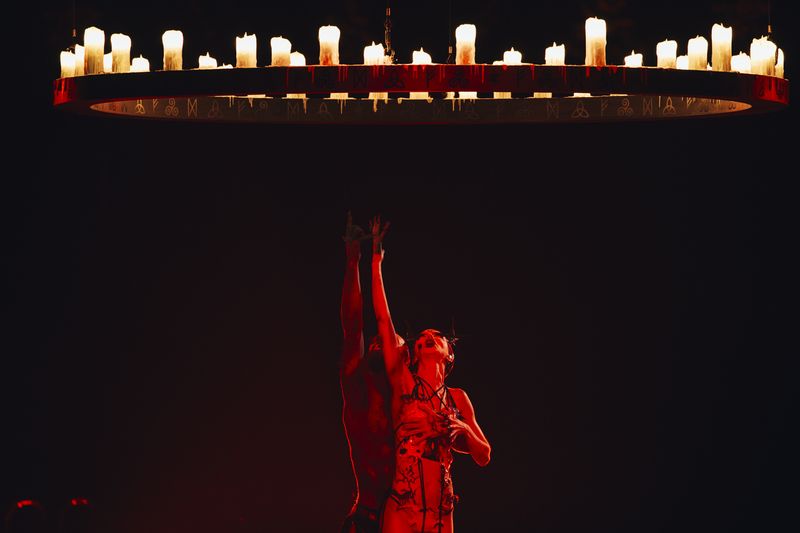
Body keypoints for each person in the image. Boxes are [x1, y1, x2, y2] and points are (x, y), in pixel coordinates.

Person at [370, 217, 491, 533]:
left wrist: (464, 426)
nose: (426, 336)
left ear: (449, 354)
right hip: (403, 503)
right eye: (421, 337)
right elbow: (384, 322)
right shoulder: (405, 382)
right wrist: (375, 261)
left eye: (436, 336)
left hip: (441, 509)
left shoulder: (458, 398)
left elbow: (484, 455)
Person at [339, 213, 441, 533]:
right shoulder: (359, 386)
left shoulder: (412, 400)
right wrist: (355, 261)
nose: (377, 344)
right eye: (374, 343)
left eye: (387, 343)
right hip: (370, 517)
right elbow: (355, 325)